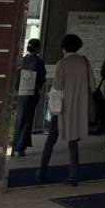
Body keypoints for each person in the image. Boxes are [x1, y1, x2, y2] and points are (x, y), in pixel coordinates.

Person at [36, 33, 95, 186]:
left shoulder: (62, 63)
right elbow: (92, 85)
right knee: (73, 142)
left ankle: (42, 170)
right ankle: (73, 175)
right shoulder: (85, 62)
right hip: (79, 108)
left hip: (62, 108)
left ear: (64, 48)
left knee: (51, 139)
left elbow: (57, 86)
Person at [11, 37, 46, 156]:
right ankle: (20, 146)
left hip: (20, 92)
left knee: (19, 117)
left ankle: (15, 144)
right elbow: (41, 77)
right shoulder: (39, 61)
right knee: (27, 119)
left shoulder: (22, 60)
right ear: (37, 49)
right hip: (32, 92)